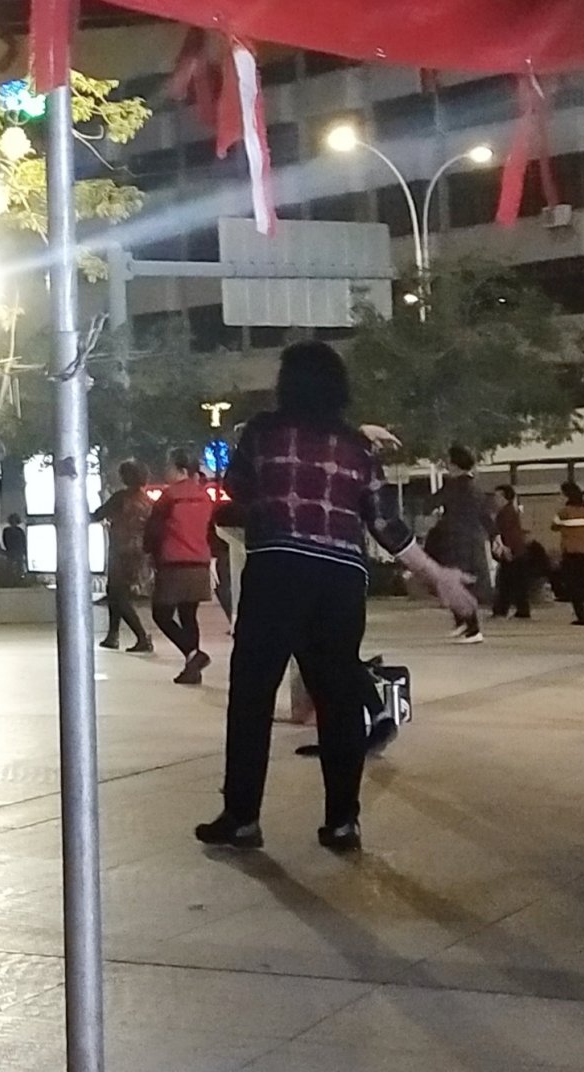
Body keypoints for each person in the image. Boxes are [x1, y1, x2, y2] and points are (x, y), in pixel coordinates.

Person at [194, 342, 478, 856]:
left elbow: (238, 487)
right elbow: (386, 524)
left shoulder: (263, 431)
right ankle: (343, 822)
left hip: (277, 569)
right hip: (341, 579)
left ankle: (241, 817)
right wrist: (437, 575)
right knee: (338, 698)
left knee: (253, 693)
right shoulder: (357, 449)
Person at [145, 448, 220, 684]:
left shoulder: (169, 497)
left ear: (181, 470)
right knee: (189, 615)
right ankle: (192, 669)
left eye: (169, 466)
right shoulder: (204, 496)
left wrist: (150, 553)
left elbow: (154, 531)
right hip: (199, 562)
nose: (165, 471)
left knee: (161, 614)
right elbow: (210, 530)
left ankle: (194, 655)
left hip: (173, 562)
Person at [93, 460, 155, 654]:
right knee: (116, 593)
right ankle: (112, 635)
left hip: (121, 550)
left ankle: (141, 636)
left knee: (118, 595)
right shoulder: (147, 501)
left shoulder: (121, 497)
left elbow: (97, 514)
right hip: (139, 551)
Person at [435, 446, 493, 642]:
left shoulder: (454, 486)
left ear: (454, 464)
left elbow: (431, 502)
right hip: (472, 539)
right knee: (462, 582)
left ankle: (473, 629)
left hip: (457, 540)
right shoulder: (475, 487)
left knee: (459, 584)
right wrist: (495, 536)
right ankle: (463, 623)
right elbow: (485, 515)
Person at [553, 475, 584, 625]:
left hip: (571, 553)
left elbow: (554, 526)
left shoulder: (564, 512)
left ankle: (582, 615)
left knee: (574, 587)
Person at [491, 485, 541, 621]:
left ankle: (502, 611)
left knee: (505, 582)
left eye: (497, 496)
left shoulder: (505, 513)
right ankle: (521, 610)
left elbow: (509, 533)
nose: (495, 499)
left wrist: (507, 549)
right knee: (516, 582)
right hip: (518, 551)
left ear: (504, 498)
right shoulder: (510, 511)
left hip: (513, 551)